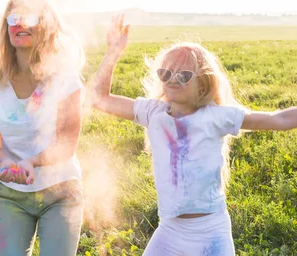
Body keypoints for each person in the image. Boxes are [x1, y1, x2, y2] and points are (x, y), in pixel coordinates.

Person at [91, 15, 297, 255]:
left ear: (203, 83)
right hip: (170, 231)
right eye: (165, 73)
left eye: (184, 75)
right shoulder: (153, 113)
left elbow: (279, 119)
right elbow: (100, 99)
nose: (172, 80)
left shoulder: (217, 117)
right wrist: (113, 52)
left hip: (211, 231)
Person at [0, 0, 86, 256]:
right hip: (10, 195)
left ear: (46, 26)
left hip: (60, 193)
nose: (20, 24)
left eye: (30, 18)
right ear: (6, 27)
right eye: (14, 18)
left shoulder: (64, 79)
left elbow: (66, 145)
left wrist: (32, 162)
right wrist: (6, 162)